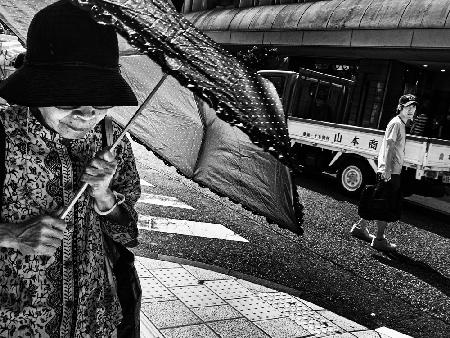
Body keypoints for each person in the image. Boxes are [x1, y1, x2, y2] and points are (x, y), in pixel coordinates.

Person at [0, 1, 141, 337]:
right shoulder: (3, 134)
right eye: (68, 101)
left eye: (101, 103)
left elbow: (129, 236)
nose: (86, 116)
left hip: (94, 321)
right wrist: (12, 234)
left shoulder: (112, 139)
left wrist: (105, 196)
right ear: (36, 88)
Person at [350, 94, 417, 252]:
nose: (411, 110)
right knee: (385, 204)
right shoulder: (397, 123)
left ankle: (360, 228)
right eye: (408, 107)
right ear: (400, 107)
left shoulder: (400, 123)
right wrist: (387, 169)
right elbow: (390, 146)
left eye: (413, 107)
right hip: (390, 171)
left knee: (379, 199)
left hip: (391, 170)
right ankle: (379, 240)